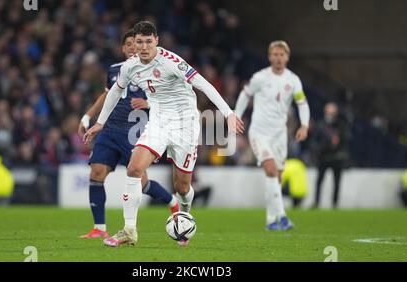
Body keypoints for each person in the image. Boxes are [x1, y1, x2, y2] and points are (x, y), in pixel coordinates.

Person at [84, 21, 244, 247]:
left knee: (182, 187)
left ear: (156, 41)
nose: (144, 47)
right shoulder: (130, 66)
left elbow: (204, 84)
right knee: (134, 168)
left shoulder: (172, 62)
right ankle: (130, 230)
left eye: (149, 42)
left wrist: (228, 113)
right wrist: (100, 122)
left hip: (185, 125)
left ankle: (184, 216)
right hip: (158, 123)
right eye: (139, 42)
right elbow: (114, 93)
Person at [78, 30, 180, 239]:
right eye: (129, 44)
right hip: (109, 130)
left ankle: (173, 202)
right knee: (96, 172)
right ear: (123, 48)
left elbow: (169, 97)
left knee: (141, 183)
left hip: (134, 133)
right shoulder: (115, 69)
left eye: (137, 43)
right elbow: (107, 96)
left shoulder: (155, 69)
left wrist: (148, 103)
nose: (134, 47)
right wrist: (87, 117)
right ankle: (99, 228)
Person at [235, 40, 310, 230]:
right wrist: (235, 115)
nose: (278, 58)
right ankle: (282, 216)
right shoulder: (260, 77)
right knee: (270, 169)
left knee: (276, 178)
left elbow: (302, 103)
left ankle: (270, 220)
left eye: (281, 55)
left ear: (287, 57)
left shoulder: (293, 80)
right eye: (275, 54)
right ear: (270, 56)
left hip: (279, 135)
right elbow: (245, 95)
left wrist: (304, 125)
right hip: (259, 133)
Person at [311, 102, 349, 209]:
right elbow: (314, 142)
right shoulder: (320, 125)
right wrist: (321, 148)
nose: (330, 115)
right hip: (323, 157)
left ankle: (335, 203)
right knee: (319, 181)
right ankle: (316, 202)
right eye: (328, 112)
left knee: (337, 182)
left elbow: (345, 141)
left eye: (332, 113)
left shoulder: (341, 125)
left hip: (337, 158)